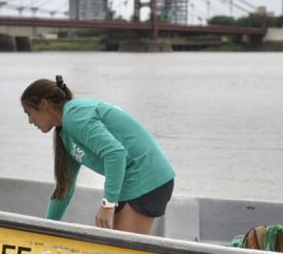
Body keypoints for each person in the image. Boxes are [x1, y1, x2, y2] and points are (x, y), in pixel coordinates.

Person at [20, 75, 175, 234]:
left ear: (44, 104)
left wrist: (108, 204)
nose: (30, 121)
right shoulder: (65, 133)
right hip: (127, 182)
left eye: (29, 113)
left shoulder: (75, 115)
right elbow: (64, 187)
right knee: (116, 249)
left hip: (146, 178)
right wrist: (46, 229)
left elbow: (115, 153)